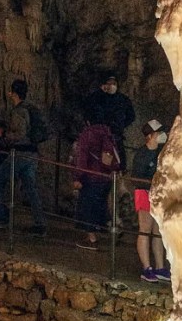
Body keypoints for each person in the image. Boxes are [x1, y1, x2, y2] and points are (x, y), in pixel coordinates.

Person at [0, 79, 47, 236]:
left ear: (13, 93)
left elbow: (19, 134)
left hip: (20, 153)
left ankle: (1, 216)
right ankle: (40, 224)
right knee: (31, 189)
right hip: (32, 154)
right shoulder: (31, 108)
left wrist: (4, 134)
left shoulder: (19, 111)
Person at [72, 119, 121, 248]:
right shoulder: (107, 133)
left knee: (87, 207)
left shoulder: (87, 134)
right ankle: (113, 227)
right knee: (101, 206)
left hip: (92, 176)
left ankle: (92, 240)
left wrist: (77, 177)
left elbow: (82, 158)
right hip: (106, 177)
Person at [130, 119, 169, 281]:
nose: (162, 135)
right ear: (150, 136)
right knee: (145, 230)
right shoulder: (142, 154)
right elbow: (136, 177)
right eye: (158, 133)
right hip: (144, 193)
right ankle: (147, 268)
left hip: (157, 194)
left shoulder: (161, 151)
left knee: (158, 231)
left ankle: (160, 267)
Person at [82, 71, 135, 170]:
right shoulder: (97, 98)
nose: (112, 86)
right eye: (109, 83)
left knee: (119, 163)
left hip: (116, 136)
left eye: (114, 83)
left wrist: (120, 125)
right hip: (99, 138)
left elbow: (131, 116)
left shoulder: (123, 100)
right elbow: (87, 111)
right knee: (100, 164)